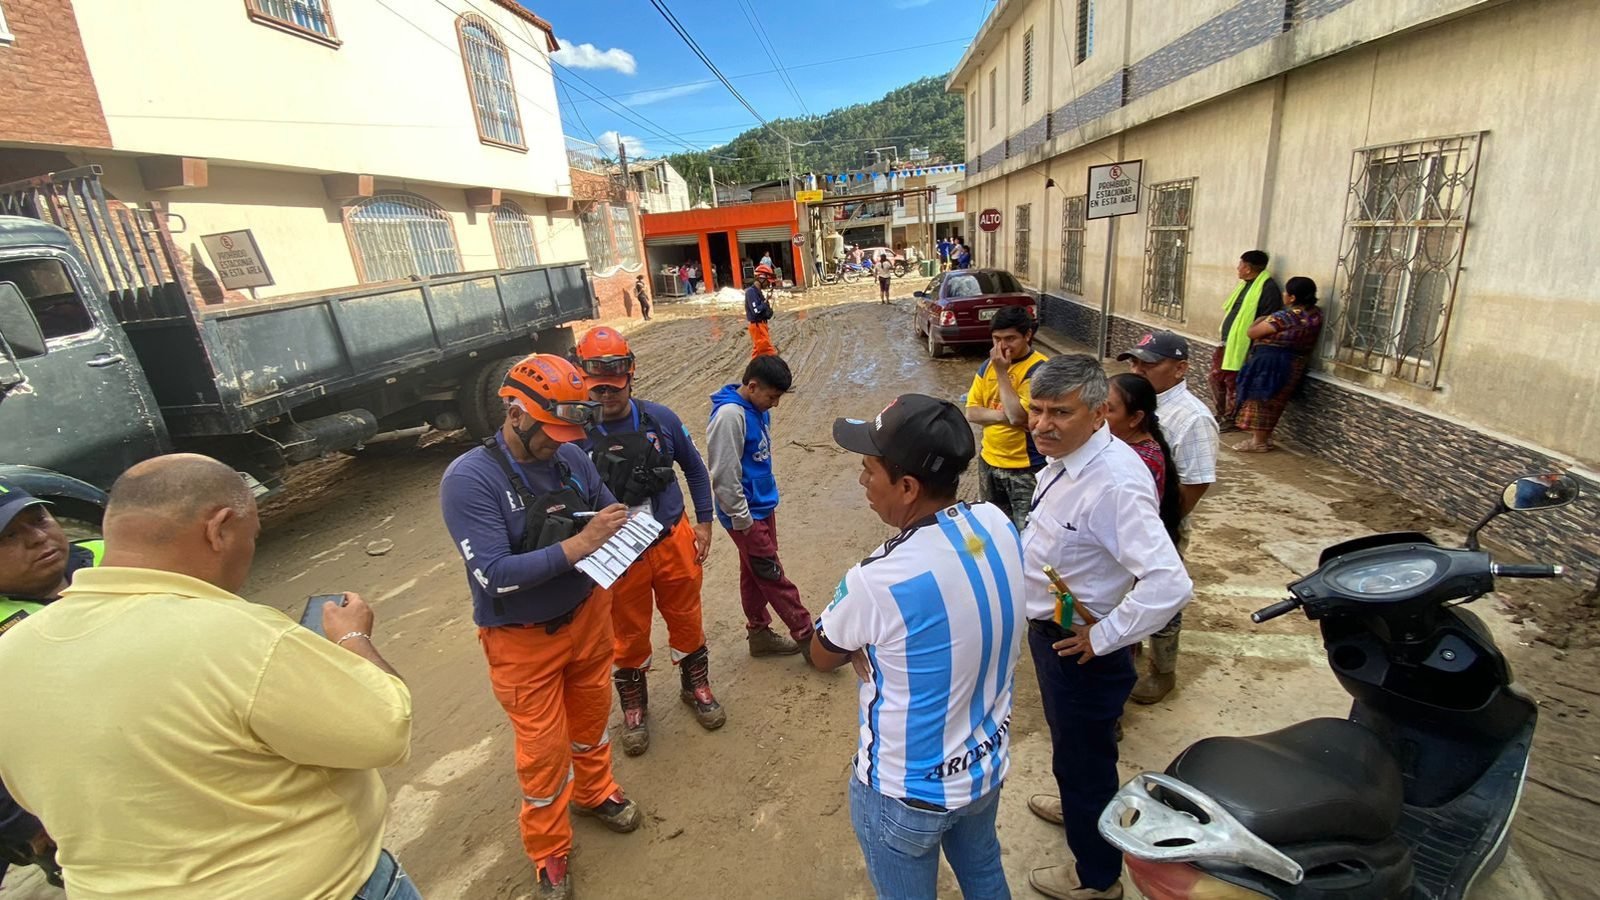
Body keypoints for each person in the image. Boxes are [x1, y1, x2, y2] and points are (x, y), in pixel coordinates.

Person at [0, 454, 418, 899]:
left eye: (39, 519)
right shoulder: (236, 635)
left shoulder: (11, 655)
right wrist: (352, 637)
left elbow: (30, 794)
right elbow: (383, 730)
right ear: (218, 529)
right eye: (251, 535)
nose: (36, 538)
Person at [439, 355, 641, 899]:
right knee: (542, 750)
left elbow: (605, 510)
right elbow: (495, 575)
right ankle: (549, 848)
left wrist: (625, 526)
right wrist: (581, 543)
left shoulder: (572, 455)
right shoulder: (470, 480)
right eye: (549, 432)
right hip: (522, 640)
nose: (559, 444)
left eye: (567, 432)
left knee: (593, 718)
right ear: (514, 412)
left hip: (587, 617)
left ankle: (596, 792)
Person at [811, 394, 1025, 899]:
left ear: (907, 487)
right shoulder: (994, 523)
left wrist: (862, 645)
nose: (863, 481)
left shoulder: (879, 579)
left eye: (868, 470)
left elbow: (821, 655)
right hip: (982, 768)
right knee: (985, 873)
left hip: (906, 794)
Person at [1018, 356, 1193, 900]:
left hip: (1082, 649)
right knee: (1076, 749)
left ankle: (1097, 879)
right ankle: (1077, 807)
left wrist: (1105, 634)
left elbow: (1169, 582)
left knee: (1087, 761)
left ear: (1098, 415)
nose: (1042, 424)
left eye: (1059, 413)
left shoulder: (1113, 483)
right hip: (1056, 635)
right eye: (1037, 410)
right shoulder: (1069, 459)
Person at [572, 327, 724, 757]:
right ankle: (633, 707)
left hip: (671, 538)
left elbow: (695, 469)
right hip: (618, 551)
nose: (607, 396)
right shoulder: (573, 437)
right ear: (584, 380)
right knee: (627, 631)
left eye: (615, 387)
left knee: (687, 616)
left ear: (630, 376)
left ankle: (696, 686)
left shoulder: (661, 419)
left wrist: (706, 522)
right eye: (597, 388)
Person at [0, 483, 105, 887]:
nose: (38, 538)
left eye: (38, 518)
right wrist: (30, 828)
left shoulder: (111, 558)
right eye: (8, 536)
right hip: (71, 802)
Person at [1115, 331, 1217, 704]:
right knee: (1124, 592)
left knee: (1162, 594)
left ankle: (1163, 671)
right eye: (1134, 362)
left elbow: (1196, 482)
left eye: (1149, 364)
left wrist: (1163, 526)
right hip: (1127, 524)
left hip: (1160, 525)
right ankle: (1131, 647)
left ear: (1180, 369)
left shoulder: (1191, 418)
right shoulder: (1131, 403)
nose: (1138, 370)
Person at [706, 355, 815, 659]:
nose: (775, 404)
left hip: (762, 506)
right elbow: (723, 476)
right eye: (772, 397)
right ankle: (808, 637)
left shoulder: (756, 408)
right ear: (752, 386)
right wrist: (744, 521)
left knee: (753, 571)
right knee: (771, 573)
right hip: (746, 514)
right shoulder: (730, 417)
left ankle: (759, 633)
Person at [965, 306, 1051, 532]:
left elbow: (1017, 416)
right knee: (995, 529)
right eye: (996, 339)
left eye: (1010, 338)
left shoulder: (1040, 370)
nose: (1002, 346)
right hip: (989, 461)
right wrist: (1007, 415)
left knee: (1029, 533)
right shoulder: (987, 366)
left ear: (1028, 335)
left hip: (1026, 467)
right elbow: (972, 412)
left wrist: (1002, 373)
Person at [1232, 276, 1324, 452]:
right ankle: (1263, 439)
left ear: (1292, 297)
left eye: (1286, 292)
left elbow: (1252, 332)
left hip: (1271, 362)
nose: (1283, 294)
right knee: (1276, 401)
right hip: (1294, 362)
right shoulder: (1315, 314)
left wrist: (1261, 319)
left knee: (1262, 399)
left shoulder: (1285, 317)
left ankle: (1257, 442)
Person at [1106, 374, 1183, 546]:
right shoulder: (1118, 446)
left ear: (1135, 418)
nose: (1097, 414)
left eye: (1108, 410)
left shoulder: (1137, 462)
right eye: (1097, 406)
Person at [1212, 250, 1283, 431]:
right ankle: (1220, 414)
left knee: (1233, 383)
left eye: (1241, 265)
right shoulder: (1245, 285)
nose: (1238, 268)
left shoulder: (1268, 289)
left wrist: (1253, 346)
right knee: (1215, 378)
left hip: (1244, 346)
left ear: (1248, 268)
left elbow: (1267, 319)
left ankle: (1231, 418)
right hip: (1227, 342)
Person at [746, 263, 778, 358]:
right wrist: (764, 303)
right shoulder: (751, 292)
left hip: (761, 325)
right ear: (761, 278)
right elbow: (756, 311)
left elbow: (765, 312)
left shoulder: (758, 292)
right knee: (769, 352)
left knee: (758, 353)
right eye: (767, 281)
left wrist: (767, 302)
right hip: (757, 326)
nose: (768, 284)